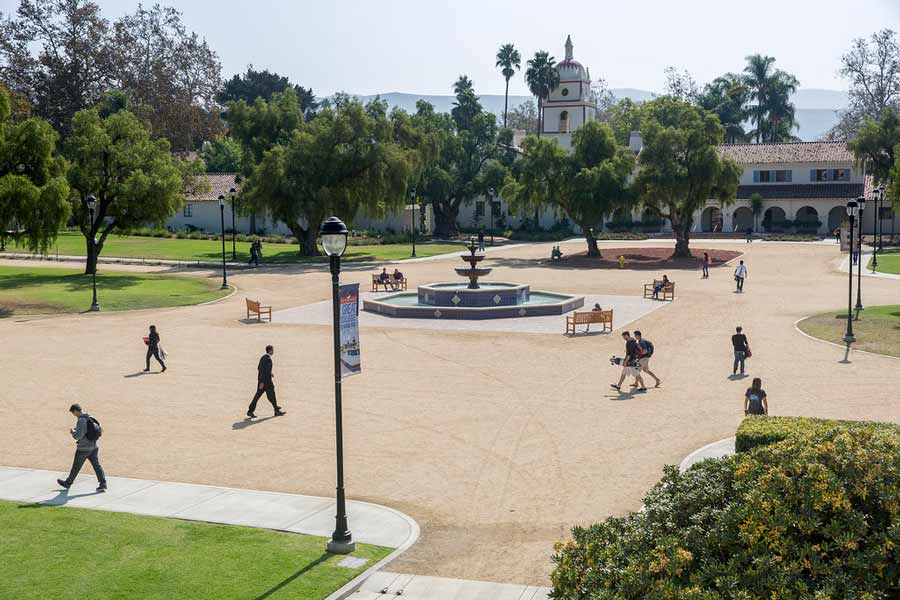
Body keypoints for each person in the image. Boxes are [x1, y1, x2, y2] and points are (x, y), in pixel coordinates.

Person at [57, 404, 107, 492]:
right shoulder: (90, 417)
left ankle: (68, 483)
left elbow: (78, 436)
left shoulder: (81, 420)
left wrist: (73, 432)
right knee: (97, 466)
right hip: (94, 447)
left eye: (73, 413)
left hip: (83, 449)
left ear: (76, 411)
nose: (74, 415)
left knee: (76, 467)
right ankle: (103, 484)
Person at [247, 345, 285, 418]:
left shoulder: (263, 357)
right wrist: (262, 382)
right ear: (270, 350)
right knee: (270, 396)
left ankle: (250, 411)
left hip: (264, 381)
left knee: (262, 396)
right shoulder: (267, 359)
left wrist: (270, 373)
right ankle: (276, 410)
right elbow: (262, 371)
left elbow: (260, 368)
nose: (273, 351)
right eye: (273, 350)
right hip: (266, 382)